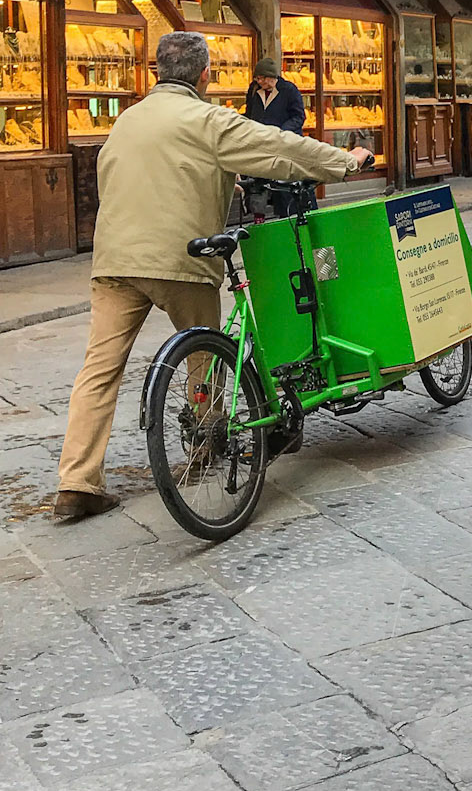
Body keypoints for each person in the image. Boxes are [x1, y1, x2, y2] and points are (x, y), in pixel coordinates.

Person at [53, 30, 366, 524]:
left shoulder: (126, 120)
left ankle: (76, 481)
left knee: (99, 371)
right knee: (204, 357)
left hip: (113, 261)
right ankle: (205, 452)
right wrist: (346, 161)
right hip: (182, 260)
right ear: (203, 76)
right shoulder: (206, 118)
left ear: (158, 72)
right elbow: (276, 143)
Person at [244, 56, 306, 133]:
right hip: (260, 139)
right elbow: (249, 114)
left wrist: (281, 131)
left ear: (272, 77)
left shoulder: (289, 90)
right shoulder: (254, 89)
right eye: (257, 78)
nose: (259, 81)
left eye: (262, 78)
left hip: (283, 140)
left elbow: (298, 117)